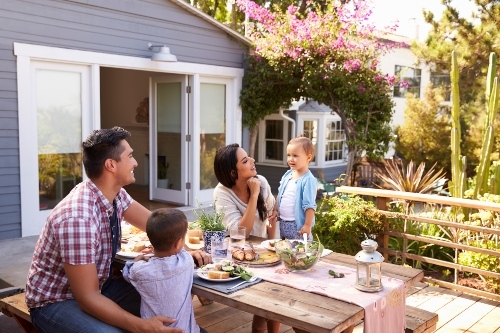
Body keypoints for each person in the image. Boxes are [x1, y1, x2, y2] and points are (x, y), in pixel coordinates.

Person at [26, 127, 211, 333]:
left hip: (102, 287)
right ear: (111, 165)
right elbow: (87, 298)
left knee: (169, 300)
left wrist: (182, 249)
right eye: (130, 156)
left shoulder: (115, 195)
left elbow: (156, 224)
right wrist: (142, 326)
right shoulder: (78, 218)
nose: (136, 162)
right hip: (56, 302)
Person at [213, 143, 281, 333]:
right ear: (233, 172)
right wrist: (254, 196)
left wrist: (272, 245)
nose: (252, 161)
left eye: (249, 157)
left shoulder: (262, 181)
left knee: (273, 295)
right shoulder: (222, 193)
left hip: (265, 252)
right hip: (239, 255)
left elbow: (271, 216)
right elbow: (240, 232)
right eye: (245, 160)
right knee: (265, 301)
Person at [123, 208, 208, 333]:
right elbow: (186, 254)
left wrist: (138, 260)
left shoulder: (140, 270)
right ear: (179, 243)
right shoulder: (186, 261)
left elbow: (127, 273)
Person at [275, 137, 317, 240]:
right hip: (283, 223)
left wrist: (307, 225)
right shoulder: (288, 175)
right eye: (288, 155)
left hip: (298, 228)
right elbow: (280, 194)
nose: (290, 159)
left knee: (300, 253)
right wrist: (276, 210)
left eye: (295, 156)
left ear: (308, 157)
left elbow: (310, 206)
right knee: (285, 252)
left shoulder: (308, 180)